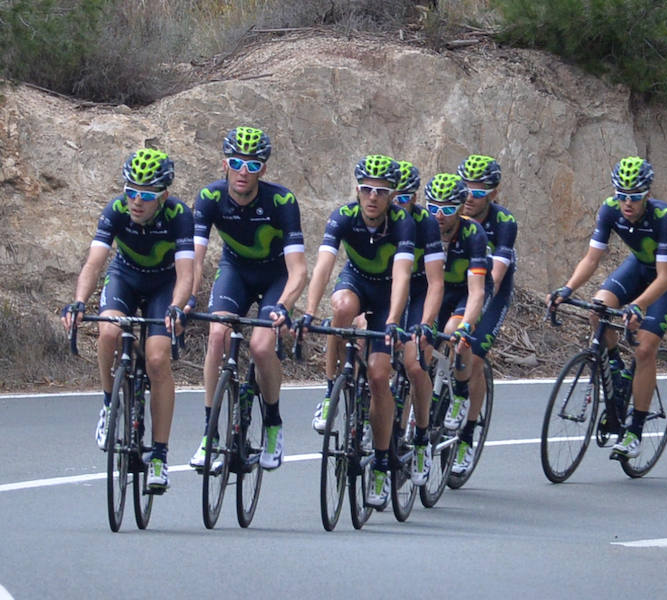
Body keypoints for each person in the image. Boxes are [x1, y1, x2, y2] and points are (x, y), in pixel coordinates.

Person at [62, 148, 194, 491]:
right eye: (130, 190)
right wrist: (78, 302)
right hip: (126, 278)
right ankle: (109, 403)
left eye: (146, 195)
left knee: (156, 359)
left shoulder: (179, 215)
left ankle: (160, 456)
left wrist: (177, 307)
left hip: (164, 286)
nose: (136, 201)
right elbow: (94, 263)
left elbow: (185, 273)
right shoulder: (116, 210)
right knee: (108, 332)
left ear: (163, 196)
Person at [548, 156, 667, 459]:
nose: (627, 202)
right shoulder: (610, 210)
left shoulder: (663, 217)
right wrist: (567, 288)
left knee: (644, 349)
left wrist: (638, 305)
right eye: (622, 195)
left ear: (647, 195)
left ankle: (635, 431)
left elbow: (665, 277)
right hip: (640, 266)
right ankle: (615, 369)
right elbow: (591, 259)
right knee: (597, 309)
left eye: (635, 196)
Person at [188, 126, 307, 472]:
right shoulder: (209, 198)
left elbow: (299, 270)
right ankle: (210, 434)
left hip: (276, 276)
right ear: (224, 163)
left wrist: (284, 306)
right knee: (217, 335)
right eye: (237, 162)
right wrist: (189, 297)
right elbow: (195, 259)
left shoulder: (281, 202)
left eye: (253, 165)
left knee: (260, 346)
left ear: (263, 170)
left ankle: (272, 422)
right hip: (236, 272)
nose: (244, 171)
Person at [303, 155, 415, 508]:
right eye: (366, 189)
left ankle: (382, 464)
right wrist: (308, 312)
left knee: (380, 377)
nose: (372, 197)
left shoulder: (402, 223)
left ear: (391, 195)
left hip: (387, 297)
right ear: (357, 189)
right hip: (356, 282)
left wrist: (395, 317)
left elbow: (401, 275)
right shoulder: (343, 216)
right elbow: (323, 266)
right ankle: (330, 388)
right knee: (341, 308)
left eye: (381, 191)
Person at [451, 154, 517, 476]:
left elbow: (496, 277)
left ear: (493, 193)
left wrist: (470, 313)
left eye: (477, 192)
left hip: (490, 289)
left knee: (473, 355)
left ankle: (467, 434)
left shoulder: (503, 223)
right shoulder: (448, 214)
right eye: (464, 189)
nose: (468, 197)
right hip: (455, 284)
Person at [426, 173, 490, 467]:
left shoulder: (473, 233)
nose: (439, 216)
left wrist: (467, 325)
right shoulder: (419, 229)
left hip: (465, 293)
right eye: (433, 208)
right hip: (434, 292)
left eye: (448, 209)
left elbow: (478, 291)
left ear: (460, 209)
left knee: (454, 331)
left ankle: (461, 391)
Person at [393, 161, 445, 486]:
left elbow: (436, 283)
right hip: (388, 289)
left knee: (413, 365)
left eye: (404, 198)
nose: (397, 203)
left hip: (421, 292)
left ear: (414, 197)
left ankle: (422, 436)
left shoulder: (426, 223)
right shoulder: (377, 219)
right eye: (392, 196)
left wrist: (425, 323)